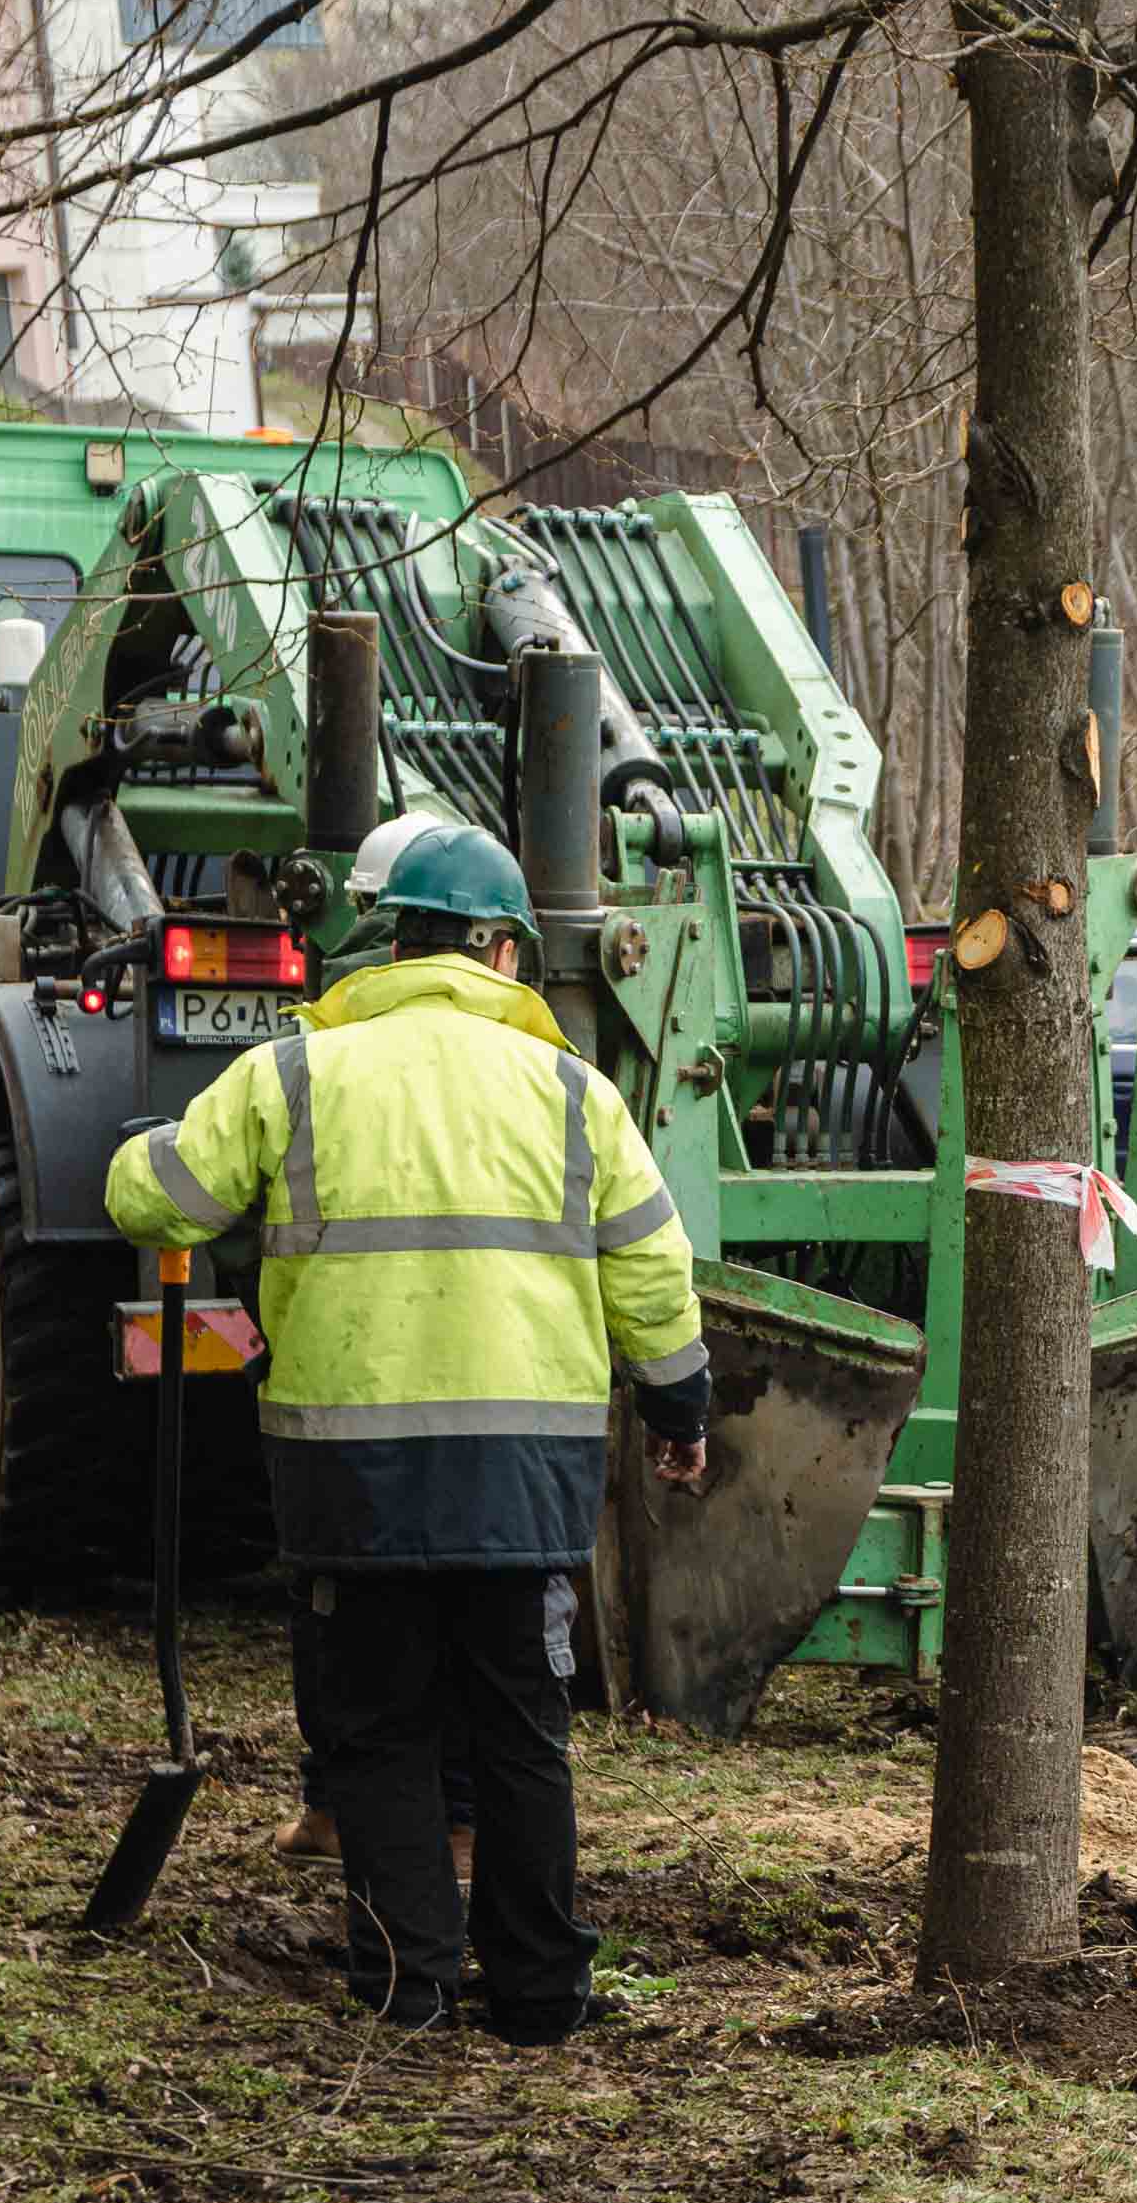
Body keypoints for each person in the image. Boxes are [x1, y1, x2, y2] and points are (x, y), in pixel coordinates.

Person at [106, 823, 710, 2043]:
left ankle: (408, 1984)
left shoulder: (295, 1074)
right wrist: (678, 1410)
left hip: (352, 1473)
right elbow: (653, 1267)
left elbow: (154, 1195)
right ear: (497, 950)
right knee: (522, 1736)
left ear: (393, 940)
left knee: (377, 1728)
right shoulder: (573, 1094)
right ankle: (542, 1994)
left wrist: (138, 1148)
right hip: (523, 1480)